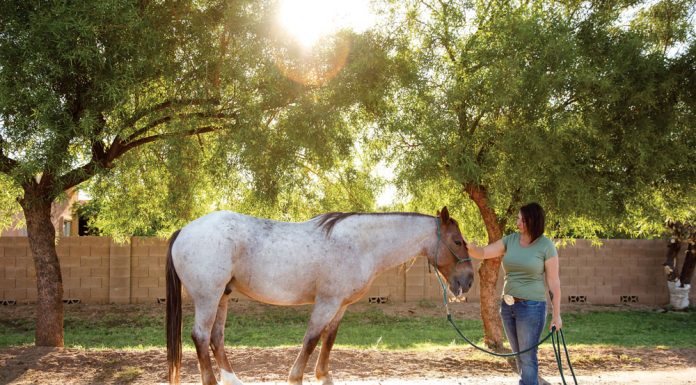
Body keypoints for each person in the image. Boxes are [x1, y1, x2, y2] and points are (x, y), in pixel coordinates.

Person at [466, 202, 561, 385]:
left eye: (520, 219)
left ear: (531, 221)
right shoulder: (510, 240)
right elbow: (484, 252)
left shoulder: (545, 245)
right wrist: (465, 244)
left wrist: (557, 316)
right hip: (508, 307)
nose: (517, 222)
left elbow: (554, 282)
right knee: (520, 357)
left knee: (527, 358)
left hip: (531, 307)